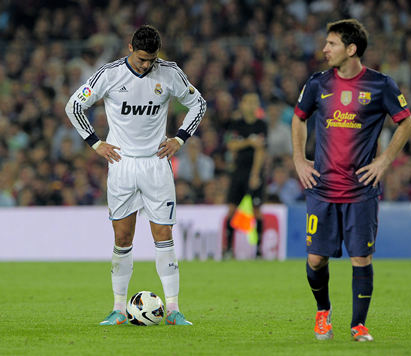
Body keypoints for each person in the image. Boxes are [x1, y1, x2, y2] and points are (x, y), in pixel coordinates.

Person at [65, 25, 206, 326]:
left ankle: (174, 310)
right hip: (122, 164)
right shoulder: (110, 74)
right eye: (142, 58)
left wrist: (180, 139)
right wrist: (96, 143)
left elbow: (199, 104)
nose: (146, 65)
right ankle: (117, 309)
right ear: (130, 48)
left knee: (163, 235)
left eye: (151, 59)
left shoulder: (169, 73)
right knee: (122, 236)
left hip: (156, 164)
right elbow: (74, 105)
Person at [291, 19, 411, 341]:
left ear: (351, 49)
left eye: (330, 44)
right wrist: (298, 159)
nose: (324, 49)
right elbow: (298, 117)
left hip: (361, 189)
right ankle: (323, 311)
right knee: (316, 259)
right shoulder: (318, 83)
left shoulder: (380, 84)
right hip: (322, 186)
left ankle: (358, 326)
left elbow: (406, 123)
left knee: (361, 257)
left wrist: (384, 162)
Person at [224, 93, 267, 259]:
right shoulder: (236, 124)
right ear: (241, 104)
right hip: (238, 172)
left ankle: (258, 250)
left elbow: (261, 150)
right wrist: (249, 141)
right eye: (248, 101)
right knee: (232, 210)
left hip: (254, 172)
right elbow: (231, 145)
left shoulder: (262, 125)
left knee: (257, 211)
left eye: (255, 102)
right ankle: (228, 249)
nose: (252, 105)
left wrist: (255, 174)